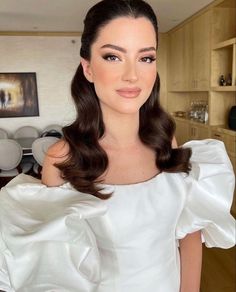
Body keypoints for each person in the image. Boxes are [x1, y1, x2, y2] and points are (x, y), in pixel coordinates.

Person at [0, 1, 235, 291]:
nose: (132, 75)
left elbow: (189, 233)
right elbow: (56, 264)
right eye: (113, 57)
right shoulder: (63, 158)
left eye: (145, 58)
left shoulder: (165, 143)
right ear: (88, 68)